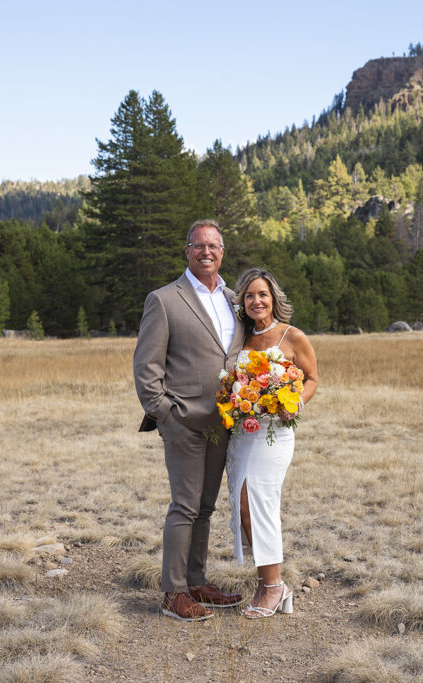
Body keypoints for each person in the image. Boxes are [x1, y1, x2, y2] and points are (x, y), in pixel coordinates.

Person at [133, 219, 247, 621]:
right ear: (187, 251)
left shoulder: (235, 299)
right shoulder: (164, 300)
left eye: (214, 246)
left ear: (222, 252)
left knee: (205, 507)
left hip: (222, 423)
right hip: (182, 420)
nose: (206, 253)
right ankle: (173, 593)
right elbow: (146, 368)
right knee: (184, 506)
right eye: (198, 246)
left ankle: (197, 582)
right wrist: (166, 415)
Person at [227, 268, 318, 618]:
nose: (256, 301)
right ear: (243, 302)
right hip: (243, 433)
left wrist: (293, 403)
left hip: (275, 432)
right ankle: (269, 582)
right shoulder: (241, 340)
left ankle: (273, 587)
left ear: (273, 298)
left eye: (262, 294)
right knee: (242, 504)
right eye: (249, 295)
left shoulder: (292, 337)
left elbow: (311, 379)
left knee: (258, 501)